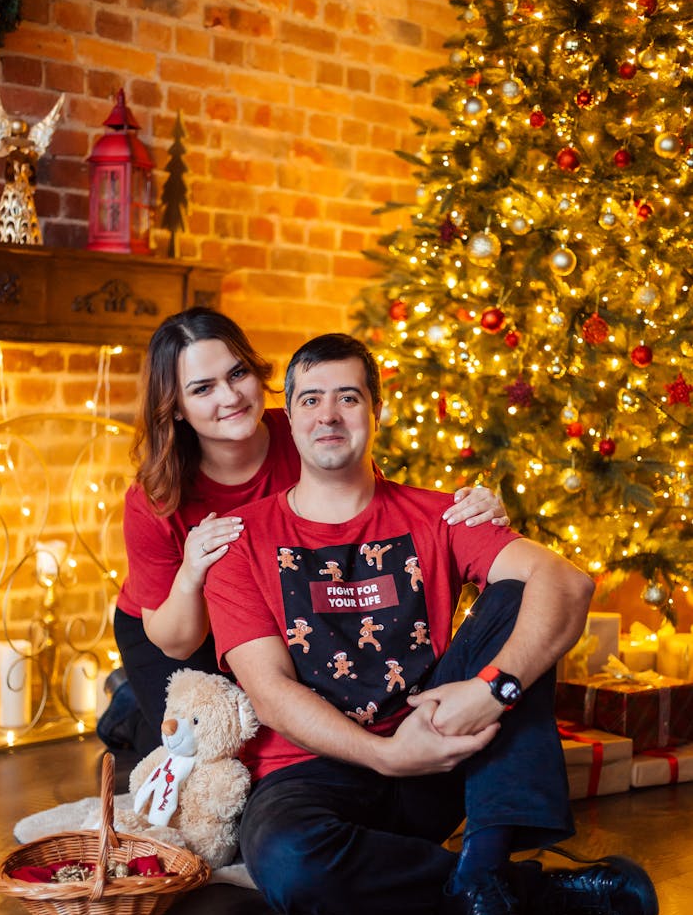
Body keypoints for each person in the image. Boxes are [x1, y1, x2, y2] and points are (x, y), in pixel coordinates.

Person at [203, 332, 658, 915]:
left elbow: (569, 583)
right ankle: (508, 887)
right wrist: (386, 755)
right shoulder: (244, 543)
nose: (329, 414)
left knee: (524, 590)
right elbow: (270, 692)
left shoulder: (441, 513)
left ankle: (480, 867)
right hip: (312, 774)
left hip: (440, 740)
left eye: (348, 397)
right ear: (291, 418)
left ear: (376, 413)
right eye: (311, 399)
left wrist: (491, 689)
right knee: (287, 863)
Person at [109, 308, 508, 757]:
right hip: (176, 627)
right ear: (176, 408)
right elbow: (177, 642)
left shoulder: (310, 427)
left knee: (281, 728)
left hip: (266, 618)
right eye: (203, 389)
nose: (230, 397)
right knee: (197, 751)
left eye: (237, 373)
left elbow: (369, 523)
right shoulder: (155, 497)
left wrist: (476, 509)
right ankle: (130, 706)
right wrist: (192, 570)